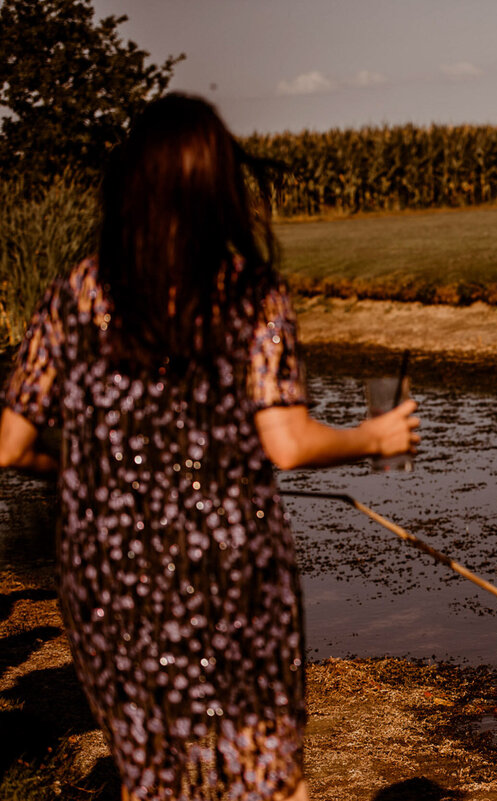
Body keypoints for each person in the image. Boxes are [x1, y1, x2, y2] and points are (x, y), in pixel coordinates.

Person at [0, 94, 419, 801]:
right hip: (232, 568)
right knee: (267, 776)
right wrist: (374, 435)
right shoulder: (248, 291)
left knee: (152, 778)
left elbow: (10, 443)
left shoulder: (74, 289)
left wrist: (109, 470)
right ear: (219, 187)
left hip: (108, 575)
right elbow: (283, 443)